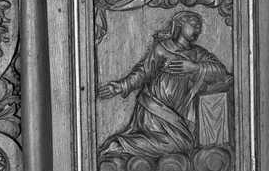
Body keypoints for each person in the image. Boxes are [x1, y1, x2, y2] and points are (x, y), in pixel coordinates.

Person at [97, 10, 229, 162]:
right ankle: (122, 145)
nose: (197, 30)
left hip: (178, 112)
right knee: (183, 144)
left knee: (184, 144)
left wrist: (195, 67)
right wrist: (121, 86)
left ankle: (126, 146)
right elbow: (143, 72)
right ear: (180, 25)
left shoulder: (199, 54)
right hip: (154, 109)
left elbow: (221, 72)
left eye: (199, 26)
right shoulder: (162, 48)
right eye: (193, 25)